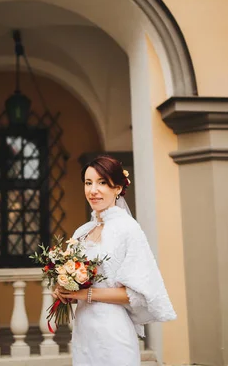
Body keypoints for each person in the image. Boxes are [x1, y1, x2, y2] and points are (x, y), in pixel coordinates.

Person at [53, 155, 176, 366]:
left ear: (117, 188)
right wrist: (63, 289)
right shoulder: (83, 231)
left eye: (102, 183)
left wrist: (82, 293)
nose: (93, 190)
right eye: (88, 183)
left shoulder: (128, 229)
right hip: (84, 329)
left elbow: (134, 294)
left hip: (112, 330)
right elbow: (77, 281)